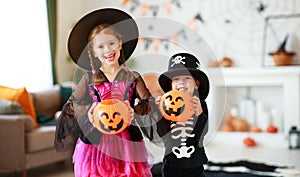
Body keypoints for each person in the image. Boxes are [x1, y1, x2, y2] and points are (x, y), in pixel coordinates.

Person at [54, 8, 156, 177]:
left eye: (111, 43)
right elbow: (70, 106)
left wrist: (133, 111)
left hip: (126, 143)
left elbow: (150, 104)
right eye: (101, 46)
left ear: (120, 43)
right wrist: (90, 109)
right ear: (93, 52)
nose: (108, 50)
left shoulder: (133, 77)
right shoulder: (89, 79)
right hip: (95, 143)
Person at [155, 53, 210, 177]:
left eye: (187, 78)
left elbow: (203, 132)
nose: (181, 82)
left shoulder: (200, 105)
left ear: (196, 84)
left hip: (195, 165)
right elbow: (162, 134)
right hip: (172, 165)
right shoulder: (167, 107)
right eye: (176, 79)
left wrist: (200, 113)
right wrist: (159, 113)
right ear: (171, 85)